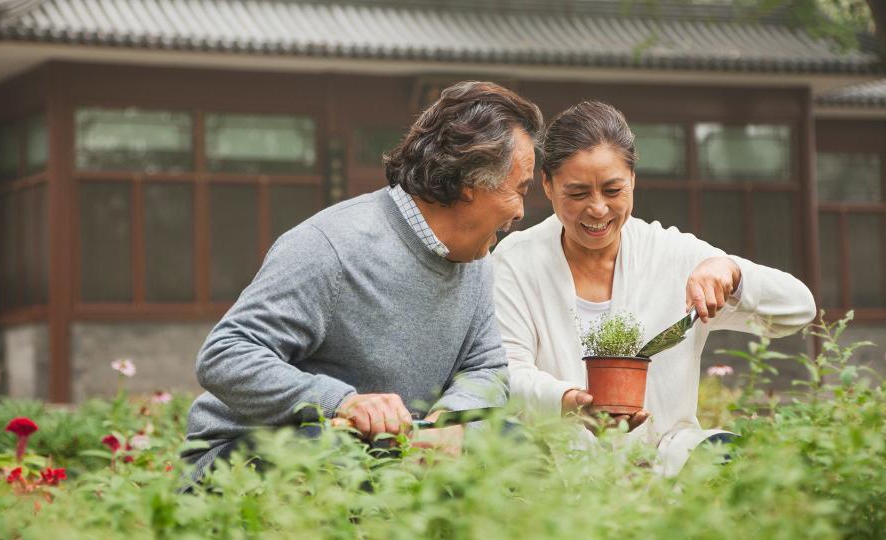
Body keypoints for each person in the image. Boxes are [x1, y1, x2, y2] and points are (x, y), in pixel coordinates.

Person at [183, 81, 544, 481]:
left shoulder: (476, 261)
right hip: (250, 453)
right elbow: (224, 355)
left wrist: (451, 420)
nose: (521, 212)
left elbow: (487, 366)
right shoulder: (332, 246)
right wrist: (342, 403)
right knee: (346, 455)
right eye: (519, 190)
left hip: (388, 451)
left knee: (517, 447)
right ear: (468, 183)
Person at [492, 101, 816, 475]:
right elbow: (506, 372)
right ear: (547, 186)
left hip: (666, 459)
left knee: (730, 457)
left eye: (613, 190)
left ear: (633, 180)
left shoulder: (673, 256)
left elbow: (800, 308)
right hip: (556, 460)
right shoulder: (518, 260)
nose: (598, 209)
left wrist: (732, 272)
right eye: (578, 193)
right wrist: (570, 401)